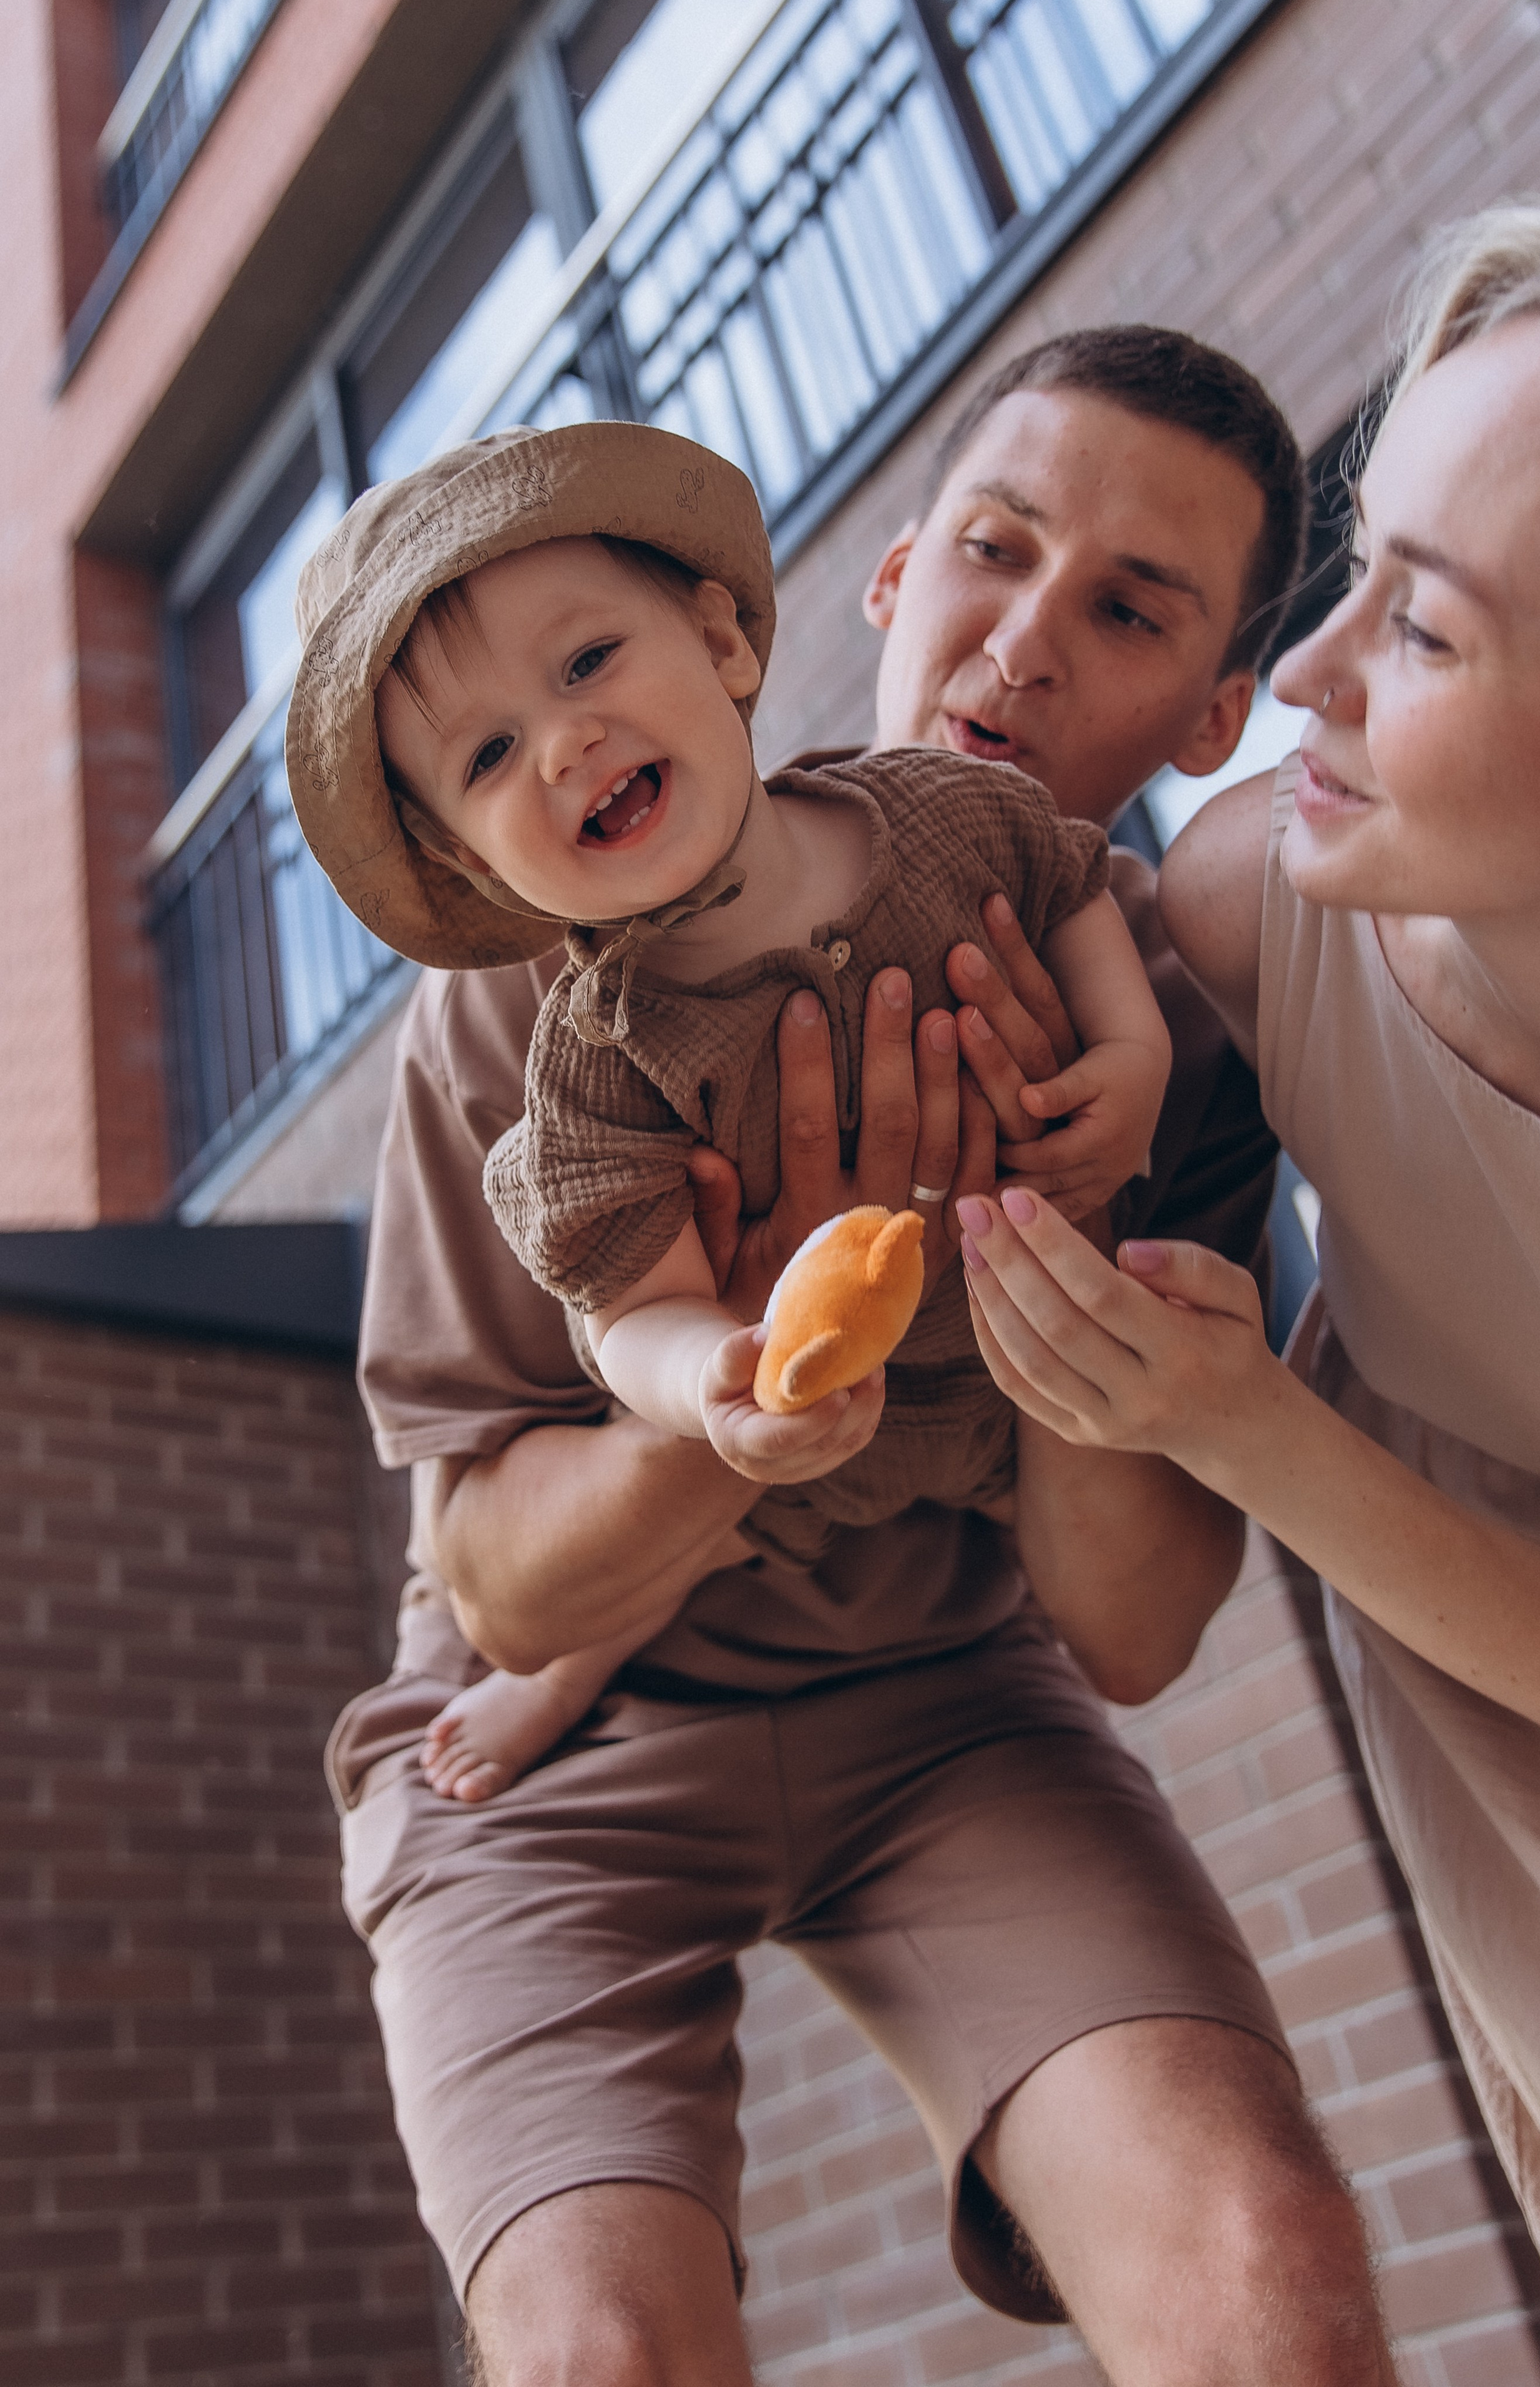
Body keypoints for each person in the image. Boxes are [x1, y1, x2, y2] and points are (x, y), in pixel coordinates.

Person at [322, 328, 1399, 2383]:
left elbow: (1138, 1628)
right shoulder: (548, 992)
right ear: (890, 581)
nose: (1024, 646)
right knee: (602, 2354)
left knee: (1265, 2264)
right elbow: (497, 1583)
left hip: (951, 1701)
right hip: (564, 1734)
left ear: (1216, 710)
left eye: (1131, 610)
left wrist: (1047, 1230)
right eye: (995, 555)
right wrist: (764, 1380)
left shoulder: (1177, 1045)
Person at [953, 210, 1540, 2371]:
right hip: (1519, 1777)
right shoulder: (1260, 902)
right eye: (1352, 569)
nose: (1307, 677)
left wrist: (1249, 1429)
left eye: (1420, 631)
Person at [298, 419, 1169, 1801]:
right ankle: (568, 1680)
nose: (563, 744)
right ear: (476, 869)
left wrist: (1128, 1068)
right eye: (485, 760)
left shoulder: (936, 812)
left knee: (1105, 1416)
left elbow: (1061, 889)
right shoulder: (598, 1059)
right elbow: (623, 1308)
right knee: (700, 1530)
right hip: (802, 1441)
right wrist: (712, 1379)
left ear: (722, 645)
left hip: (996, 1380)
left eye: (587, 662)